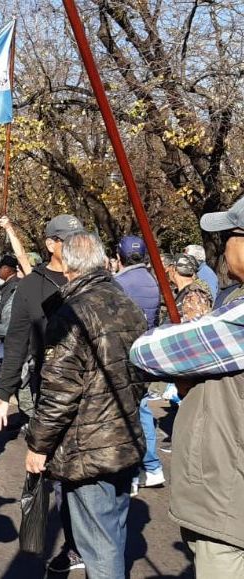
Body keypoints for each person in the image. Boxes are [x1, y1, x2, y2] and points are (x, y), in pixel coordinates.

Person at [130, 196, 244, 577]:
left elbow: (148, 351)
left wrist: (187, 358)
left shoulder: (239, 320)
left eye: (229, 235)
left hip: (230, 496)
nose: (224, 246)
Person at [26, 232, 147, 579]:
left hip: (89, 446)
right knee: (113, 533)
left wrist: (39, 444)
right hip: (123, 433)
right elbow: (141, 371)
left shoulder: (72, 313)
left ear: (68, 266)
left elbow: (59, 391)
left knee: (99, 543)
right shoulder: (125, 303)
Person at [0, 214, 86, 574]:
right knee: (57, 476)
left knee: (98, 481)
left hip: (96, 400)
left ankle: (93, 547)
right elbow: (16, 345)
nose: (74, 245)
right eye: (66, 239)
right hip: (52, 397)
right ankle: (73, 544)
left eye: (79, 238)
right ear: (51, 244)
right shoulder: (33, 285)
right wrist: (4, 392)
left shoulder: (96, 280)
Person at [113, 235, 165, 490]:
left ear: (118, 256)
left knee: (128, 415)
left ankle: (135, 471)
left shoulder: (119, 283)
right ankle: (152, 467)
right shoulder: (152, 282)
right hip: (145, 353)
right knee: (143, 410)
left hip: (124, 357)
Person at [168, 254, 214, 321]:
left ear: (174, 269)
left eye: (170, 268)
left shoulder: (193, 296)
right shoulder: (182, 292)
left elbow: (194, 325)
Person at [0, 254, 20, 342]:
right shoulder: (9, 284)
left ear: (7, 269)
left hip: (7, 333)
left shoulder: (13, 286)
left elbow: (4, 309)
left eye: (0, 267)